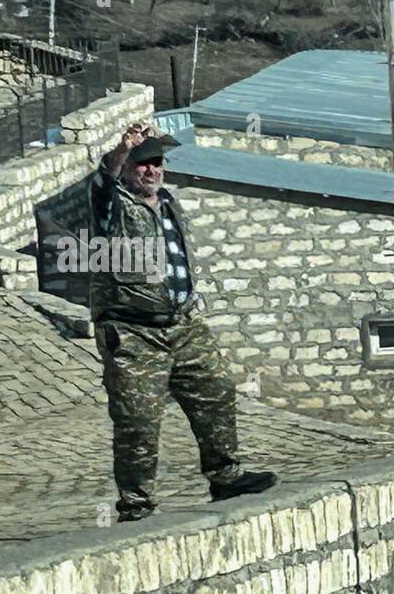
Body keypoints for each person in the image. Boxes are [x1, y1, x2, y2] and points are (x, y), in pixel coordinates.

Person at [89, 121, 276, 522]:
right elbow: (104, 176)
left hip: (182, 324)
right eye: (141, 164)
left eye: (156, 163)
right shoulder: (111, 204)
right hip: (133, 331)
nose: (151, 170)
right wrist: (122, 149)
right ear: (126, 170)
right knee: (138, 419)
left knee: (216, 388)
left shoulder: (168, 200)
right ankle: (136, 505)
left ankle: (225, 475)